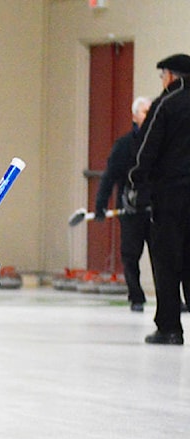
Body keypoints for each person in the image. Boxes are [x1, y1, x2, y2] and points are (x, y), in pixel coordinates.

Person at [127, 53, 190, 345]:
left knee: (167, 260)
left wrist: (137, 184)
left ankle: (169, 327)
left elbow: (147, 150)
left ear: (172, 76)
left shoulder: (167, 103)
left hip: (171, 196)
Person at [95, 96, 152, 312]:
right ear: (135, 116)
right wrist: (101, 203)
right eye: (144, 112)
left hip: (156, 210)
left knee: (164, 258)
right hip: (130, 210)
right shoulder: (124, 145)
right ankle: (136, 296)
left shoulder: (162, 144)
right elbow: (109, 177)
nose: (147, 115)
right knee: (130, 255)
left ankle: (170, 300)